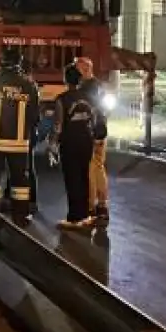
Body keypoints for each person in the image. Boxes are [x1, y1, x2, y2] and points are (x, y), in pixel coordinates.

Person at [0, 46, 40, 227]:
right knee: (20, 182)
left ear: (1, 63)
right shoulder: (29, 87)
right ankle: (20, 217)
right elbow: (35, 117)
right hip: (19, 144)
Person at [52, 63, 97, 229]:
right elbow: (95, 119)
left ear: (65, 79)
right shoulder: (89, 98)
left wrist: (52, 144)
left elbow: (58, 125)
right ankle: (85, 215)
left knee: (72, 180)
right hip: (86, 142)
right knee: (84, 176)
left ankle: (73, 218)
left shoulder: (62, 99)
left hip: (69, 143)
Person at [76, 57, 110, 223]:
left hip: (89, 133)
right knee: (99, 167)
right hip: (101, 132)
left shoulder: (83, 89)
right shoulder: (99, 86)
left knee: (88, 170)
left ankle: (89, 208)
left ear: (85, 69)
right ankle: (102, 205)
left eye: (79, 69)